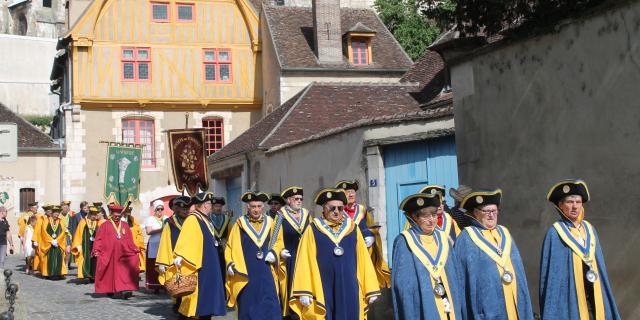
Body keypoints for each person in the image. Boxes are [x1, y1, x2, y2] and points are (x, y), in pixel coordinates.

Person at [290, 188, 381, 319]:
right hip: (323, 285)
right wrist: (304, 290)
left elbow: (364, 259)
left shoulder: (353, 228)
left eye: (340, 208)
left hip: (350, 284)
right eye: (332, 208)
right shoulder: (313, 229)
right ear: (324, 209)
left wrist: (370, 289)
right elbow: (304, 260)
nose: (337, 212)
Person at [539, 179, 620, 319]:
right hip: (571, 299)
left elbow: (600, 268)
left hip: (593, 295)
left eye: (578, 202)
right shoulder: (555, 233)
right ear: (560, 205)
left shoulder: (590, 230)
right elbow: (552, 278)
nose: (575, 206)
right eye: (570, 202)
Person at [454, 189, 533, 319]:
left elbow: (519, 273)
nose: (491, 215)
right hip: (487, 308)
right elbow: (462, 280)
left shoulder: (504, 233)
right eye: (486, 211)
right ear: (475, 213)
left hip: (514, 305)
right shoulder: (466, 237)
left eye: (494, 211)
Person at [392, 193, 464, 319]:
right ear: (414, 217)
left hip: (449, 306)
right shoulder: (404, 241)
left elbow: (455, 274)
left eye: (434, 214)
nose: (431, 220)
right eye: (425, 216)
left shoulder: (443, 238)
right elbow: (404, 288)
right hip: (423, 308)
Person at [225, 191, 284, 320]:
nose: (256, 210)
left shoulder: (271, 223)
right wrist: (230, 263)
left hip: (266, 271)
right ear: (248, 207)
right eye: (253, 206)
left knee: (270, 305)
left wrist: (274, 252)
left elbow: (279, 241)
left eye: (258, 206)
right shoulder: (239, 224)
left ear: (263, 207)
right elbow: (230, 246)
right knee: (248, 306)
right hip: (246, 273)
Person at [171, 191, 227, 319]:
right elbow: (186, 240)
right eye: (209, 203)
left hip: (209, 263)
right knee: (200, 297)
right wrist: (180, 255)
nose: (211, 206)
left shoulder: (205, 218)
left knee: (208, 296)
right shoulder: (193, 219)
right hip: (201, 265)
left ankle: (206, 315)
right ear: (204, 205)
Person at [336, 179, 391, 288]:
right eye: (347, 192)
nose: (351, 194)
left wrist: (371, 236)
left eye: (352, 191)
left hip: (362, 252)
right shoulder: (337, 212)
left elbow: (370, 227)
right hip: (344, 253)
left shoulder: (362, 210)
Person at [92, 203, 140, 299]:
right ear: (111, 214)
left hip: (123, 253)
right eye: (115, 216)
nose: (117, 218)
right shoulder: (104, 225)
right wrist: (96, 250)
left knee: (124, 271)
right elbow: (99, 239)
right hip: (109, 253)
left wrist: (134, 248)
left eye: (119, 216)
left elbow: (129, 239)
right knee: (110, 272)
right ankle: (109, 289)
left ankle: (125, 289)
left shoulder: (125, 225)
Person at [277, 186, 310, 318]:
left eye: (301, 198)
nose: (299, 201)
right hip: (290, 258)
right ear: (289, 200)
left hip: (306, 256)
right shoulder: (281, 215)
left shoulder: (306, 213)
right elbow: (274, 237)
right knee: (291, 287)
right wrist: (280, 251)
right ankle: (292, 313)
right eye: (296, 198)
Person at [156, 196, 191, 314]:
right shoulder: (170, 223)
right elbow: (164, 242)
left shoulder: (192, 221)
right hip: (174, 258)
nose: (186, 211)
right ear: (177, 209)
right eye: (183, 209)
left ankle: (187, 308)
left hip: (189, 258)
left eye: (187, 208)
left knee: (189, 284)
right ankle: (178, 305)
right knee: (177, 284)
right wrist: (162, 262)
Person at [71, 205, 102, 281]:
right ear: (90, 214)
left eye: (96, 214)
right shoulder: (83, 221)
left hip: (95, 245)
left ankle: (94, 276)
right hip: (85, 245)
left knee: (94, 260)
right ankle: (86, 275)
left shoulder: (98, 222)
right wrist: (77, 245)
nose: (94, 216)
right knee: (85, 259)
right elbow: (78, 233)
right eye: (93, 214)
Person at [38, 205, 68, 279]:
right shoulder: (46, 220)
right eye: (55, 214)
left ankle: (58, 273)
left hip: (58, 243)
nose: (57, 215)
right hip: (49, 244)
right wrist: (51, 240)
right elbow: (44, 231)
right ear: (52, 213)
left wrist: (57, 240)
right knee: (49, 259)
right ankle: (49, 274)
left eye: (58, 214)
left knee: (59, 257)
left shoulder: (61, 221)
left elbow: (63, 231)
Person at [144, 200, 166, 292]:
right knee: (154, 265)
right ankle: (155, 285)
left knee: (164, 264)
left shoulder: (166, 218)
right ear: (155, 210)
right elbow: (148, 231)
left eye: (161, 209)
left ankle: (165, 284)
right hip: (154, 245)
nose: (160, 211)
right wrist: (160, 229)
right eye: (158, 209)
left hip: (164, 245)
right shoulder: (150, 219)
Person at [211, 196, 231, 282]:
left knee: (224, 269)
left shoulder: (227, 219)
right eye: (216, 206)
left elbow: (230, 233)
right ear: (212, 207)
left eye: (220, 206)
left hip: (224, 248)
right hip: (212, 248)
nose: (218, 208)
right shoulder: (208, 219)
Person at [122, 205, 146, 274]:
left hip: (134, 245)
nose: (129, 212)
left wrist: (139, 243)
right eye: (127, 211)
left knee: (134, 263)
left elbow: (138, 232)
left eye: (130, 211)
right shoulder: (121, 220)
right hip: (124, 245)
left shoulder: (133, 219)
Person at [60, 201, 74, 268]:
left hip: (68, 235)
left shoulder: (70, 217)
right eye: (64, 208)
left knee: (68, 251)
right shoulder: (58, 217)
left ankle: (66, 264)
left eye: (66, 208)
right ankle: (61, 264)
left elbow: (72, 227)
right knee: (61, 252)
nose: (65, 210)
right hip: (60, 236)